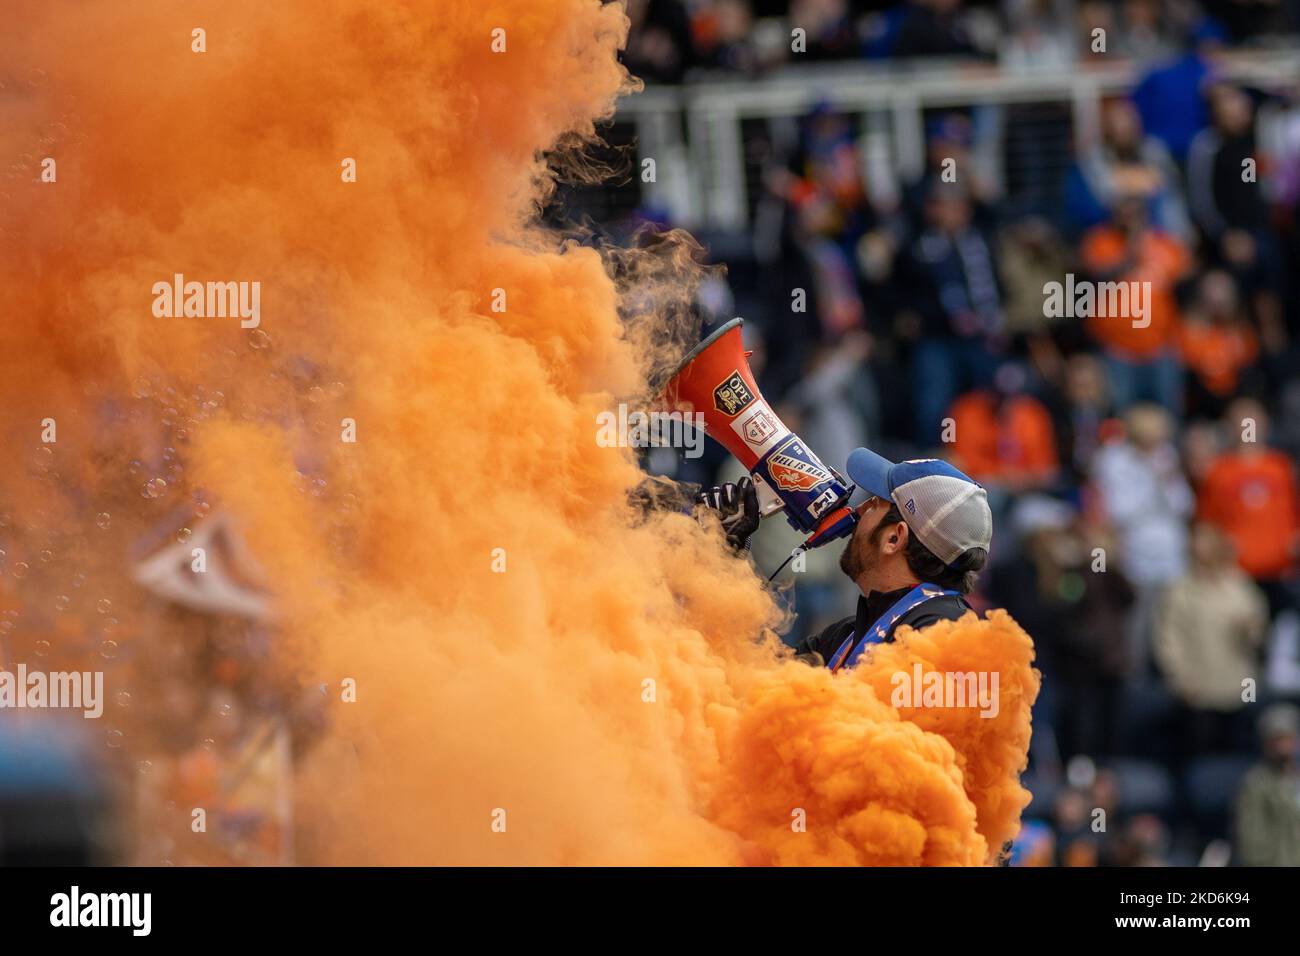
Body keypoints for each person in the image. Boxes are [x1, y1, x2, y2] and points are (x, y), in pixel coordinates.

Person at [697, 450, 993, 670]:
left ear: (894, 538)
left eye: (874, 503)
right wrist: (725, 555)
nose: (859, 509)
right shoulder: (847, 635)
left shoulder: (944, 632)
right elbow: (755, 684)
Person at [1234, 703, 1300, 866]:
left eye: (1288, 738)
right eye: (1277, 739)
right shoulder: (1256, 785)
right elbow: (1253, 847)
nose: (1283, 746)